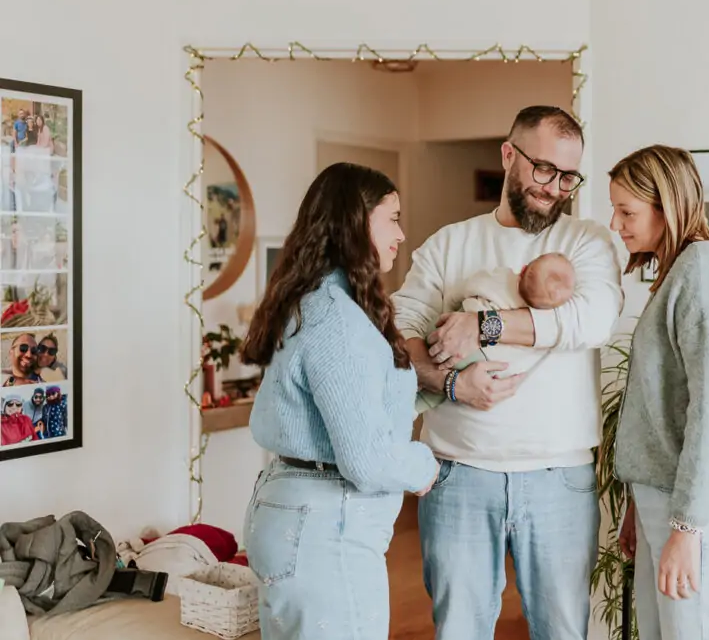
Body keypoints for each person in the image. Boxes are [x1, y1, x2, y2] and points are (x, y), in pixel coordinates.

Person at [392, 105, 624, 640]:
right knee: (459, 630)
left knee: (563, 630)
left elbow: (592, 320)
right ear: (508, 154)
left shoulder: (586, 242)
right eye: (543, 169)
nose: (554, 188)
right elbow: (402, 334)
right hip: (457, 475)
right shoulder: (449, 245)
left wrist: (486, 326)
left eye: (568, 176)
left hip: (559, 477)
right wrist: (451, 382)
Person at [240, 162, 440, 640]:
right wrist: (422, 464)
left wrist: (442, 389)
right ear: (357, 221)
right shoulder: (336, 319)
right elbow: (367, 460)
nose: (401, 232)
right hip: (324, 533)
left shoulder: (320, 302)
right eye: (392, 217)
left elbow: (358, 408)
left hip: (300, 520)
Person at [610, 145, 709, 639]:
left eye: (627, 211)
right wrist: (640, 500)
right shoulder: (680, 270)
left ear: (667, 205)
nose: (616, 225)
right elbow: (661, 404)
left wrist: (687, 526)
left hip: (703, 506)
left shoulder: (703, 270)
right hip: (671, 498)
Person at [413, 251, 576, 412]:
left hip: (453, 326)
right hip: (479, 359)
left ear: (524, 268)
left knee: (424, 353)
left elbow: (466, 288)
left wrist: (449, 307)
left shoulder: (501, 276)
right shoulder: (537, 319)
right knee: (432, 396)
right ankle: (414, 408)